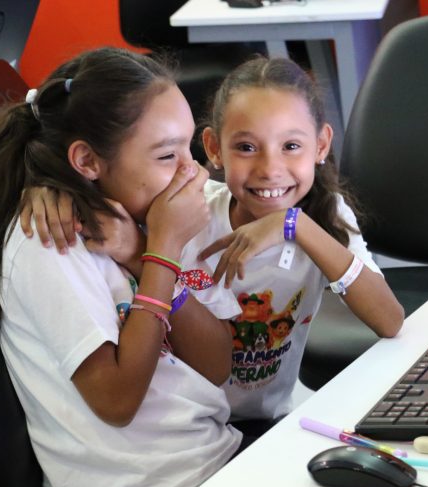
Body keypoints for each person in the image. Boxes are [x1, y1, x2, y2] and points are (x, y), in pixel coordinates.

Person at [22, 56, 406, 439]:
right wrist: (48, 187)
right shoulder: (185, 207)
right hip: (189, 427)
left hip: (262, 424)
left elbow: (389, 319)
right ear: (213, 147)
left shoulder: (325, 216)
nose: (270, 168)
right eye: (246, 147)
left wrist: (296, 225)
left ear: (321, 144)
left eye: (291, 145)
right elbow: (105, 183)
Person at [0, 47, 242, 487]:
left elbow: (217, 365)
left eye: (187, 148)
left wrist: (142, 254)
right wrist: (162, 251)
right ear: (87, 161)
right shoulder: (48, 239)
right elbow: (117, 401)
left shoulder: (149, 218)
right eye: (168, 154)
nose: (194, 171)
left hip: (209, 463)